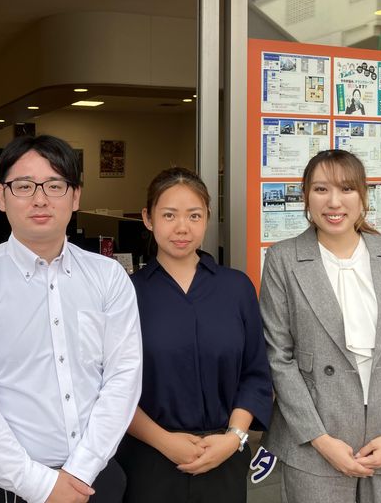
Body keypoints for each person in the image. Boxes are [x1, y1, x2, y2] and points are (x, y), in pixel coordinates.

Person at [0, 134, 142, 503]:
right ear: (2, 196)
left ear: (75, 196)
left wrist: (80, 472)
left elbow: (123, 378)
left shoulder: (109, 277)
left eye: (55, 185)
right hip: (8, 487)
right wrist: (40, 486)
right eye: (24, 186)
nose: (40, 199)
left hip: (94, 478)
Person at [259, 149, 381, 503]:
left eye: (347, 189)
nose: (334, 202)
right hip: (316, 440)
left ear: (363, 196)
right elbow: (279, 357)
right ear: (305, 195)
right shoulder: (282, 259)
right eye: (321, 189)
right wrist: (320, 440)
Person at [116, 167, 273, 503]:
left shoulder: (236, 288)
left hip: (225, 456)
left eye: (194, 215)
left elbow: (256, 373)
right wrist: (164, 441)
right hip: (149, 460)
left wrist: (234, 438)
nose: (182, 227)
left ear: (207, 218)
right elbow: (113, 385)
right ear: (147, 218)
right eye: (169, 215)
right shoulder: (127, 293)